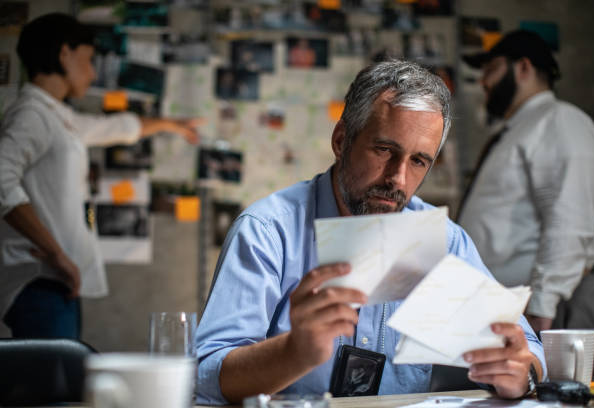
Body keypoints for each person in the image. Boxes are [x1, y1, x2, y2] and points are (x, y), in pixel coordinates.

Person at [195, 60, 546, 405]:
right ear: (341, 140)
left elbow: (528, 350)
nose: (398, 178)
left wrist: (522, 372)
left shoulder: (445, 242)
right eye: (384, 150)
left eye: (418, 161)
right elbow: (208, 376)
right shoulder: (267, 232)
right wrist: (294, 352)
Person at [0, 13, 202, 339]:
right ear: (64, 53)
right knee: (49, 385)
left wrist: (170, 125)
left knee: (60, 381)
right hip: (40, 279)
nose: (93, 72)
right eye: (89, 59)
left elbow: (115, 128)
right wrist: (55, 253)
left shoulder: (57, 116)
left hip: (57, 280)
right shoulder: (31, 114)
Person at [459, 30, 594, 334]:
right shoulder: (518, 130)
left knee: (553, 384)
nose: (483, 81)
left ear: (523, 68)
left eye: (491, 69)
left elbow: (569, 219)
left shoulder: (560, 121)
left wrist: (542, 305)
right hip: (508, 306)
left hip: (547, 308)